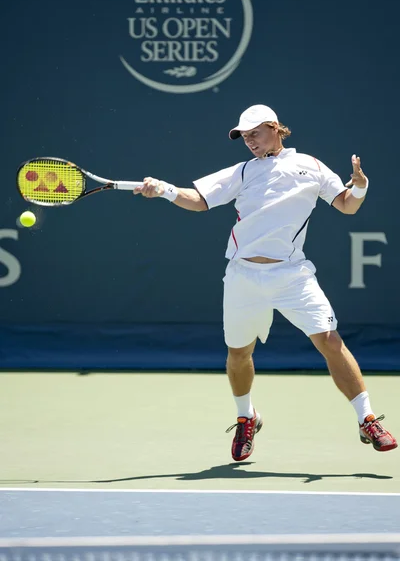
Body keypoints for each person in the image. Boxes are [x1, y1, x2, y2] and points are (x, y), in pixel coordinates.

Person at [134, 104, 398, 461]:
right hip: (243, 276)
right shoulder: (242, 172)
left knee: (330, 342)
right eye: (244, 137)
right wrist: (165, 189)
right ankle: (246, 416)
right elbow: (199, 201)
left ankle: (367, 419)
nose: (250, 142)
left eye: (254, 134)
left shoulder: (312, 166)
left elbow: (346, 205)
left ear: (275, 128)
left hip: (292, 275)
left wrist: (362, 188)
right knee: (239, 354)